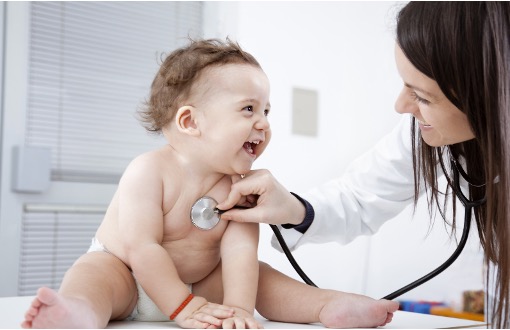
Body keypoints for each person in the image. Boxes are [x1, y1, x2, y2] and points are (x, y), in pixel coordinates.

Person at [21, 38, 398, 329]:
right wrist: (184, 309)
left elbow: (239, 255)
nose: (264, 123)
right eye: (248, 109)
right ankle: (79, 314)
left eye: (267, 111)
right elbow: (142, 247)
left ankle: (327, 305)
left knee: (262, 279)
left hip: (199, 287)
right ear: (190, 122)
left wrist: (236, 309)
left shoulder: (240, 187)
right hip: (131, 278)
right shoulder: (148, 171)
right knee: (93, 275)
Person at [217, 2, 510, 328]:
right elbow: (359, 196)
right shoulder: (425, 132)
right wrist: (294, 208)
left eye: (423, 96)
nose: (401, 106)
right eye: (405, 85)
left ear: (490, 96)